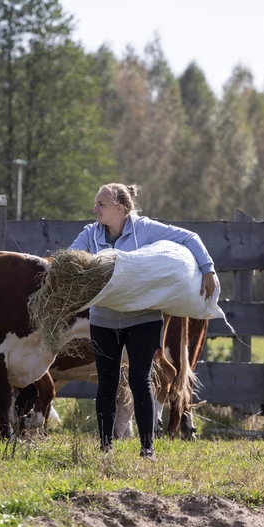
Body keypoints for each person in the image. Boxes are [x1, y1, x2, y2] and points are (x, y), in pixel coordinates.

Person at [69, 183, 216, 461]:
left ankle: (147, 448)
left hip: (143, 319)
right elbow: (72, 259)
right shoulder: (90, 234)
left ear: (120, 208)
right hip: (103, 320)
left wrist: (207, 269)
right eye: (95, 203)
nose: (95, 208)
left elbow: (189, 237)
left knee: (140, 380)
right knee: (107, 381)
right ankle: (105, 447)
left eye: (101, 203)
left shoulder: (146, 229)